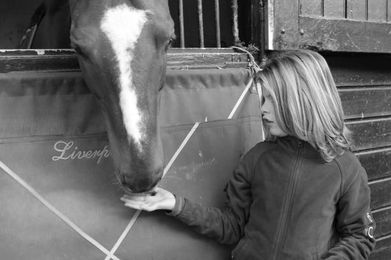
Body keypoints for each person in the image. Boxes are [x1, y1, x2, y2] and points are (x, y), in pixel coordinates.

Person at [121, 50, 376, 259]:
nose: (262, 109)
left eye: (271, 100)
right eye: (262, 100)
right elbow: (232, 227)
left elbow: (360, 237)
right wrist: (175, 204)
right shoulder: (257, 158)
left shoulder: (345, 169)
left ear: (302, 101)